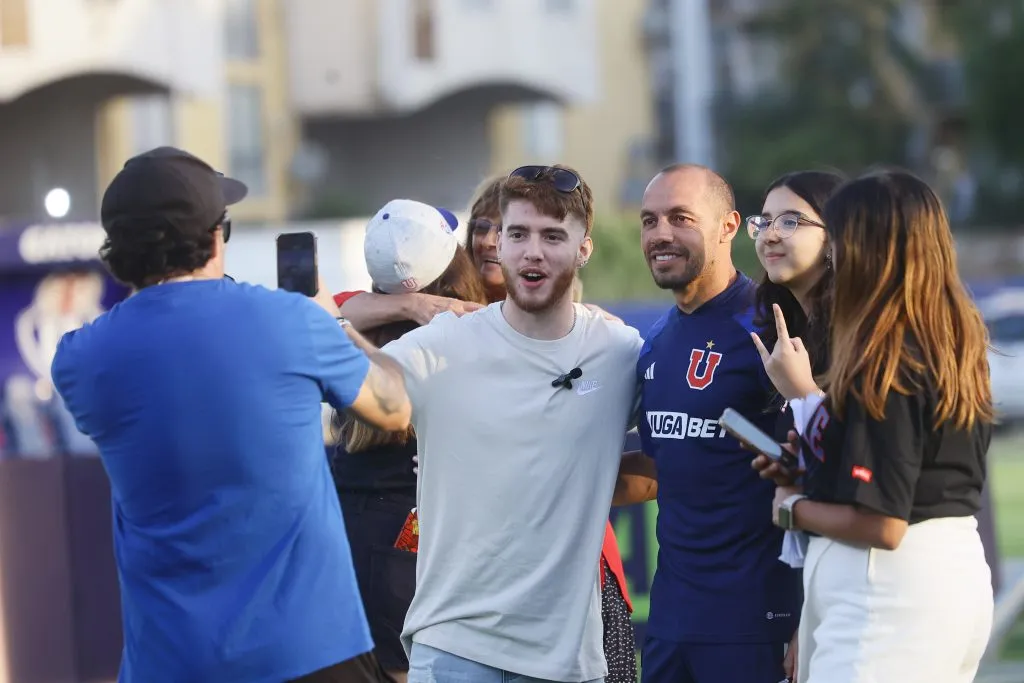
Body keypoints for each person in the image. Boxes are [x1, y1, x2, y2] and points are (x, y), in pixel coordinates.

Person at [49, 146, 411, 683]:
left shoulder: (79, 359)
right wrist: (334, 322)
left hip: (168, 662)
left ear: (117, 249)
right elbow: (395, 406)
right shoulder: (288, 321)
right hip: (310, 649)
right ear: (217, 234)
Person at [337, 175, 639, 683]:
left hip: (564, 660)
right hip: (454, 648)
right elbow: (367, 388)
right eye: (518, 235)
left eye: (552, 236)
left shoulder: (618, 351)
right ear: (498, 243)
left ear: (584, 247)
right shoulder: (443, 342)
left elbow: (685, 445)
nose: (532, 252)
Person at [751, 170, 994, 683]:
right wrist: (807, 467)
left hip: (890, 589)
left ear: (873, 248)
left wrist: (794, 508)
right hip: (945, 576)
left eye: (841, 238)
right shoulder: (945, 340)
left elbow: (883, 523)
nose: (835, 255)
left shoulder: (889, 359)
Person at [613, 164, 802, 683]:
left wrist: (809, 616)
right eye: (650, 221)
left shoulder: (774, 324)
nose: (661, 234)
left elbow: (821, 469)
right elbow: (659, 468)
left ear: (729, 226)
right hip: (671, 621)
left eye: (680, 218)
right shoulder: (656, 340)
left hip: (756, 622)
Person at [333, 199, 488, 683]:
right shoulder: (477, 330)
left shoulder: (347, 332)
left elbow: (325, 311)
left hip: (351, 534)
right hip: (424, 536)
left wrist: (405, 303)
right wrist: (417, 304)